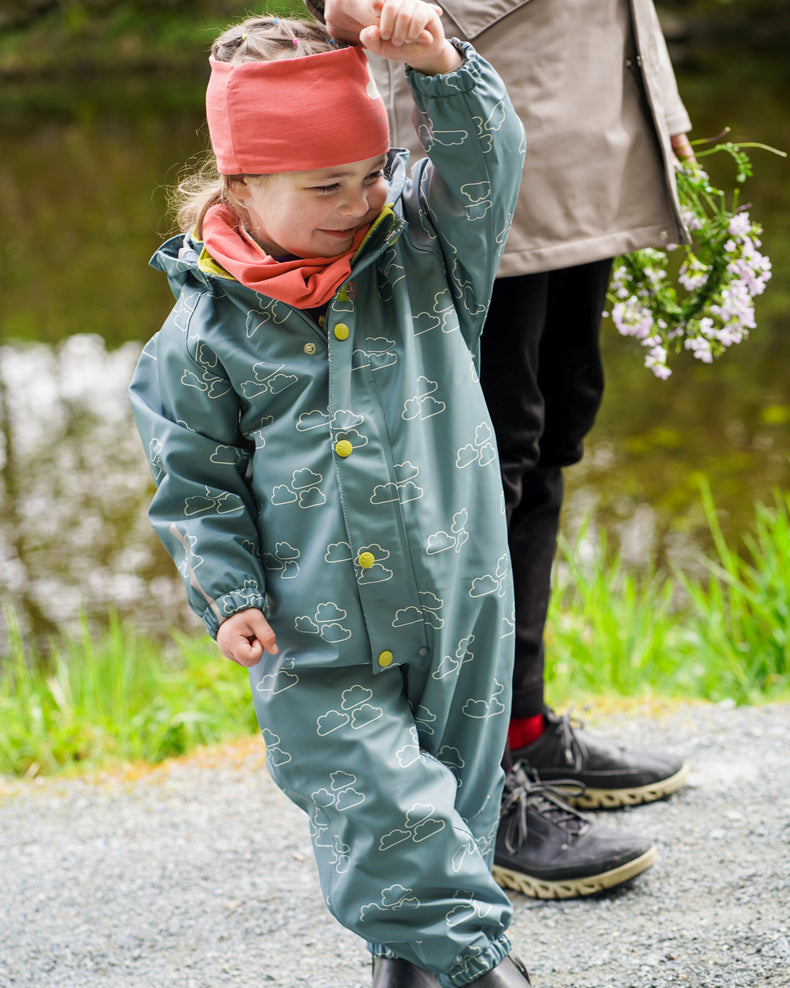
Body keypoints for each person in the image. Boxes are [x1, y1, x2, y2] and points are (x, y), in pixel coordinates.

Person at [130, 3, 534, 986]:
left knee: (451, 796)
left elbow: (487, 164)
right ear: (242, 183)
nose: (359, 201)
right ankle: (477, 966)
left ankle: (409, 959)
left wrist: (439, 62)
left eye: (366, 174)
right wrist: (228, 593)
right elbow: (195, 487)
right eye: (325, 185)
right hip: (312, 624)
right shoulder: (197, 343)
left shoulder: (424, 262)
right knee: (372, 794)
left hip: (457, 591)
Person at [310, 0, 693, 903]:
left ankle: (520, 728)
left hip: (592, 133)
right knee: (483, 468)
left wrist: (658, 105)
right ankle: (474, 788)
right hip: (472, 138)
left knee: (555, 428)